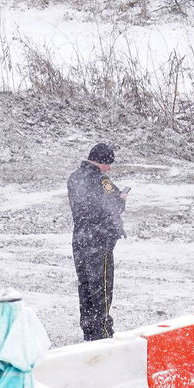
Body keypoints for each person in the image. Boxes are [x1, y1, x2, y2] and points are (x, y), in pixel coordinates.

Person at [67, 142, 128, 341]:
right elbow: (114, 205)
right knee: (101, 286)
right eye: (108, 163)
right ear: (100, 161)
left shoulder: (74, 178)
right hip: (99, 240)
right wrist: (122, 198)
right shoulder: (102, 180)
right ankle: (102, 331)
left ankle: (88, 329)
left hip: (80, 238)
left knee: (85, 285)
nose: (109, 167)